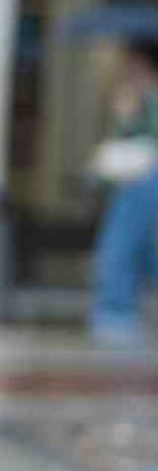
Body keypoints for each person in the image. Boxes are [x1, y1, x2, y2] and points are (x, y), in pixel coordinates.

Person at [87, 39, 158, 344]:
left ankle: (115, 311)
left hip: (143, 180)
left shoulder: (149, 99)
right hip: (137, 181)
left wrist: (128, 119)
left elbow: (145, 140)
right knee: (140, 246)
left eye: (130, 63)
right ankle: (117, 311)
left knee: (120, 245)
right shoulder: (140, 98)